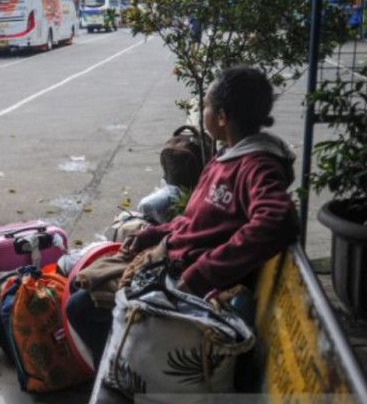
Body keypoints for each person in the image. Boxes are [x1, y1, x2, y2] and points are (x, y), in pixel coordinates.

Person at [66, 66, 300, 369]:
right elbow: (198, 221)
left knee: (81, 307)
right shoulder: (225, 158)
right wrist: (154, 233)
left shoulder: (257, 165)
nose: (202, 111)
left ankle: (120, 382)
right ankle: (119, 367)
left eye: (206, 106)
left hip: (187, 280)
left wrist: (203, 273)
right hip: (170, 259)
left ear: (221, 117)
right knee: (82, 284)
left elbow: (278, 219)